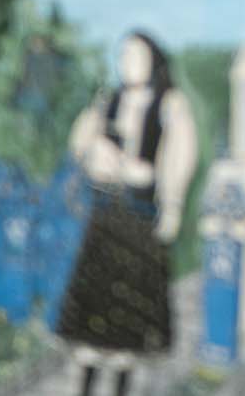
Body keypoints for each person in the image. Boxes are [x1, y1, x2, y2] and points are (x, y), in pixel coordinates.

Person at [56, 32, 199, 396]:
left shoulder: (169, 103)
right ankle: (85, 386)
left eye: (136, 56)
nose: (127, 63)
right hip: (106, 215)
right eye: (123, 56)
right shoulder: (109, 100)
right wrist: (95, 155)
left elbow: (178, 155)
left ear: (153, 59)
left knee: (127, 315)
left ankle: (121, 387)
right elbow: (82, 140)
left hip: (139, 215)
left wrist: (171, 205)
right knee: (95, 310)